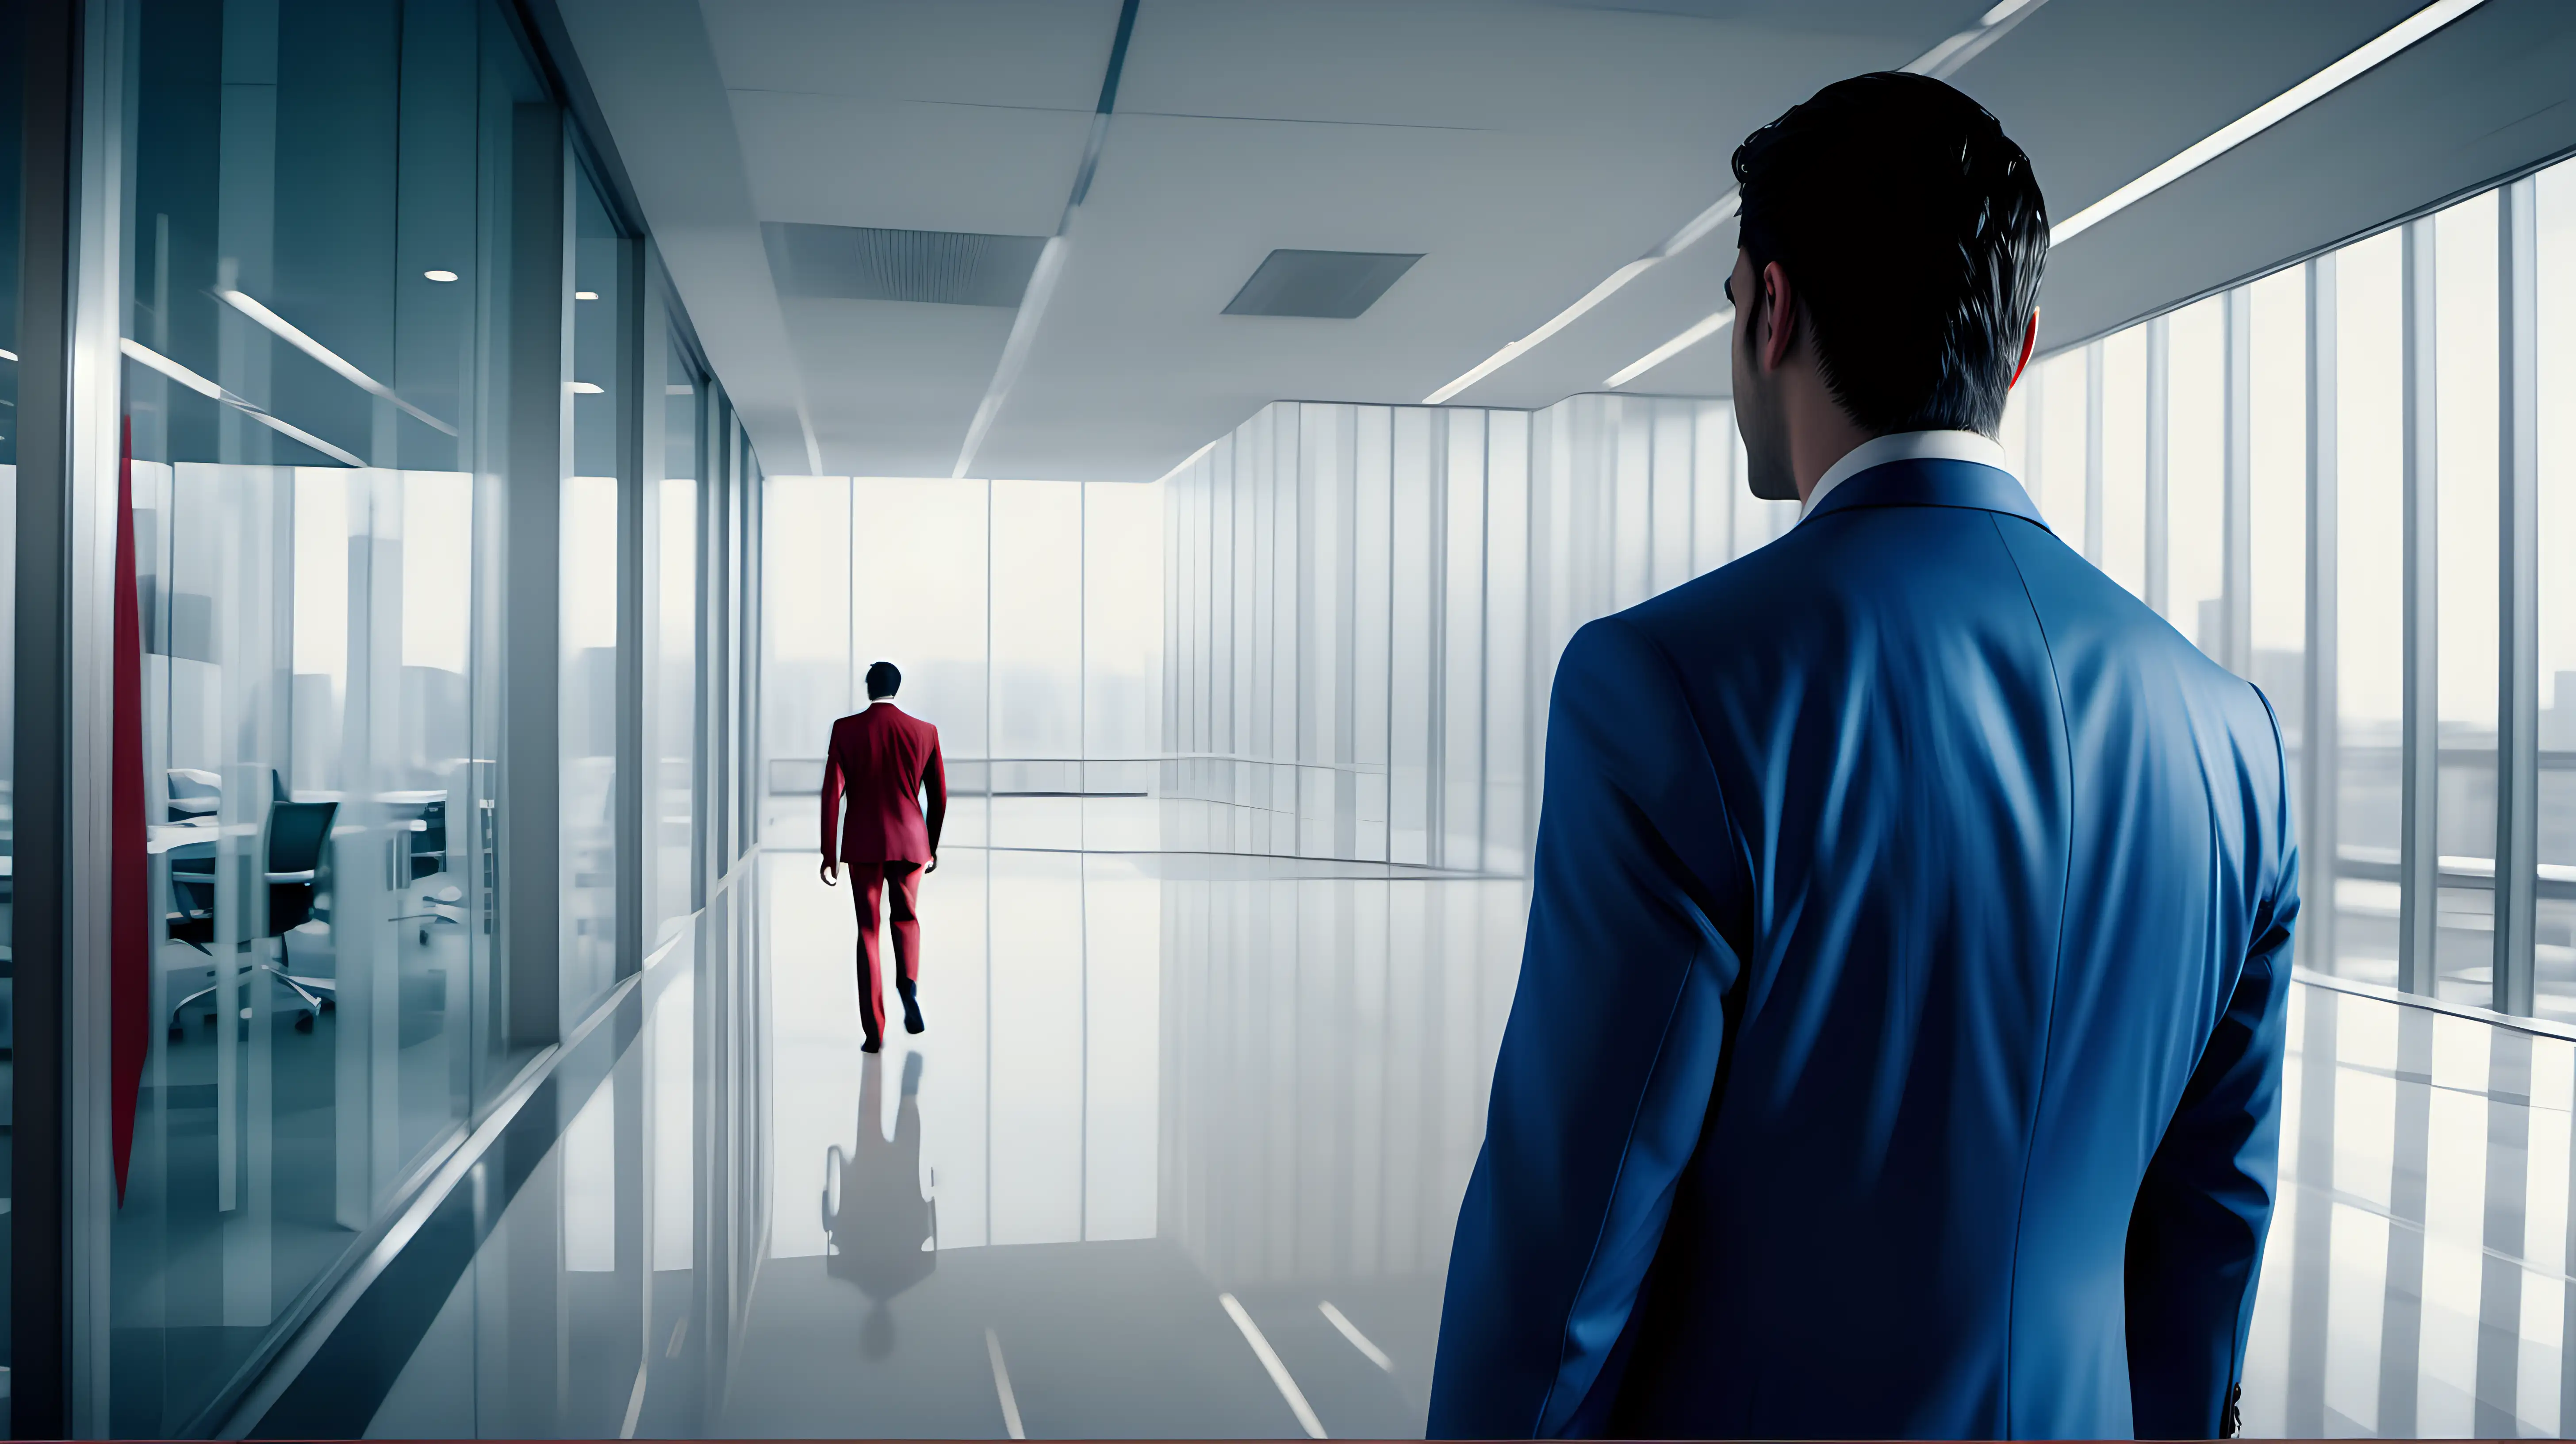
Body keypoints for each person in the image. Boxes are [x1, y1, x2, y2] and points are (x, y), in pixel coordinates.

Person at [1427, 73, 2297, 1441]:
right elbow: (2213, 1223)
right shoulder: (2231, 733)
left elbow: (1568, 1242)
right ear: (2015, 353)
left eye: (1728, 303)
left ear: (1772, 309)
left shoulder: (1668, 686)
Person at [821, 661, 947, 1053]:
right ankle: (907, 985)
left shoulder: (846, 730)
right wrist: (932, 844)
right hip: (911, 842)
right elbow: (939, 797)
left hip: (864, 843)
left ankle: (874, 1030)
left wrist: (830, 851)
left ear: (867, 687)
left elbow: (832, 794)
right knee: (907, 918)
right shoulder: (925, 732)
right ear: (898, 687)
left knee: (869, 932)